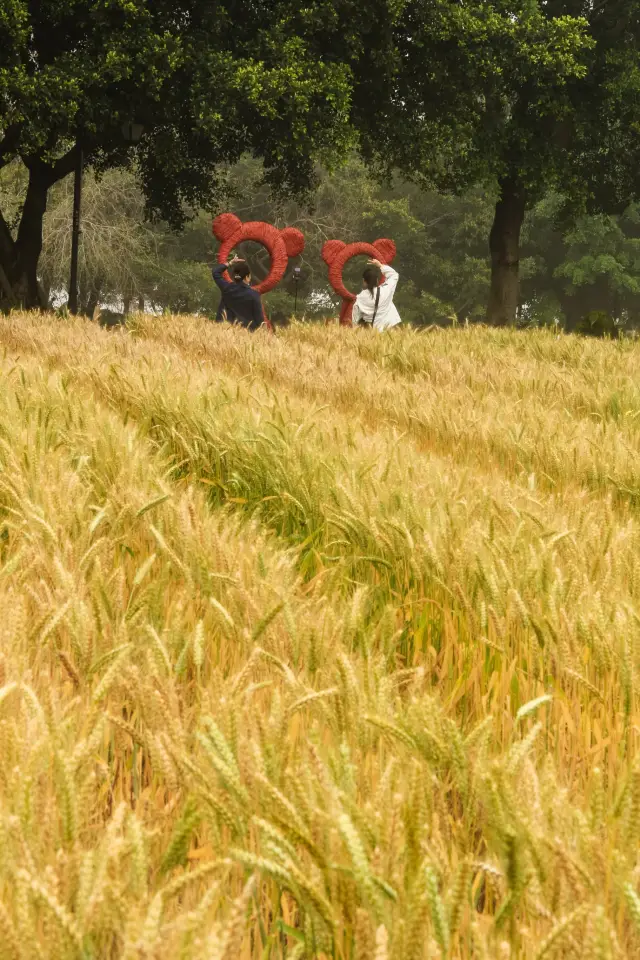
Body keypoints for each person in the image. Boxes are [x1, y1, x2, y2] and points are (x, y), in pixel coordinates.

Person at [212, 256, 266, 331]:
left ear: (235, 277)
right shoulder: (254, 295)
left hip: (223, 333)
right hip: (244, 337)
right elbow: (260, 321)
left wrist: (230, 263)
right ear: (247, 277)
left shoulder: (226, 288)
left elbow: (215, 272)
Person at [352, 258, 401, 332]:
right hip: (390, 331)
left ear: (364, 281)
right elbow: (394, 275)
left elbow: (355, 320)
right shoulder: (386, 290)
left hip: (372, 334)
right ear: (377, 280)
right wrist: (380, 265)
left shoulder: (360, 298)